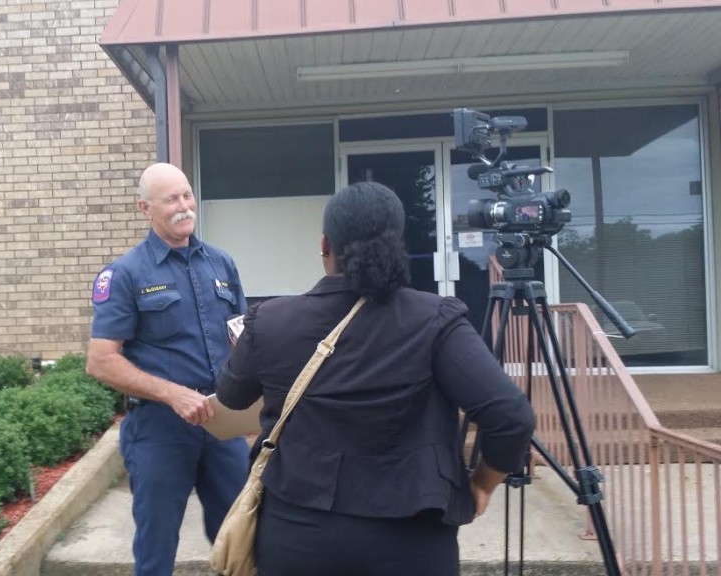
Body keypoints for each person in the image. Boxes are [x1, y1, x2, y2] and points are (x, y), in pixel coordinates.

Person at [215, 181, 536, 576]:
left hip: (298, 538)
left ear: (324, 245)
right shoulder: (436, 320)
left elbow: (231, 395)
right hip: (413, 540)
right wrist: (483, 484)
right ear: (396, 243)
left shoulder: (269, 321)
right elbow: (510, 415)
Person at [85, 162, 250, 576]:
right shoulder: (125, 273)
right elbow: (101, 361)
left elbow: (243, 339)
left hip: (221, 426)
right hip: (159, 430)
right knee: (156, 551)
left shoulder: (222, 264)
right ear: (145, 208)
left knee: (241, 539)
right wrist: (173, 393)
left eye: (187, 195)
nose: (183, 206)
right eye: (171, 199)